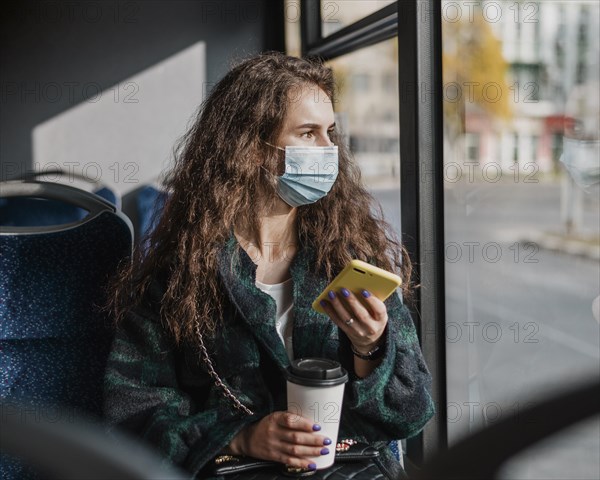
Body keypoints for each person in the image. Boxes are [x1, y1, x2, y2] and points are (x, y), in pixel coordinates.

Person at [103, 52, 435, 479]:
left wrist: (370, 347)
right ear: (250, 148)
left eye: (330, 133)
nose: (330, 150)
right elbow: (131, 410)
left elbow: (411, 413)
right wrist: (240, 436)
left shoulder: (352, 257)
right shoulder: (179, 275)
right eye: (308, 133)